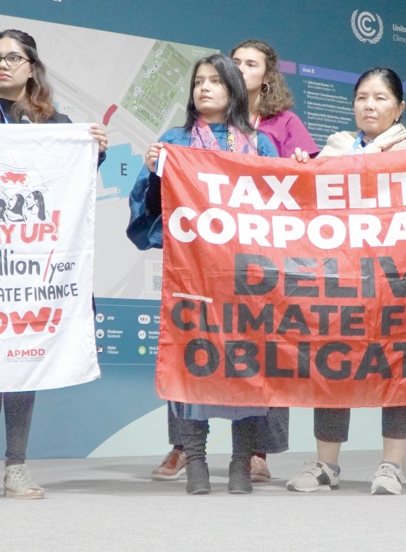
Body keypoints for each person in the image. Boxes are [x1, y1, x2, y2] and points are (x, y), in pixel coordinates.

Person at [0, 29, 107, 501]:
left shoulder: (55, 123)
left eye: (13, 57)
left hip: (34, 269)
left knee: (23, 362)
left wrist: (94, 151)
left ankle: (16, 467)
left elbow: (67, 186)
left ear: (31, 66)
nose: (3, 64)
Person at [128, 53, 278, 494]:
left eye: (215, 81)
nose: (205, 88)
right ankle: (194, 460)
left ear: (233, 88)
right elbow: (152, 208)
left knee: (247, 370)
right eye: (198, 82)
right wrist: (156, 172)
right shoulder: (174, 139)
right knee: (191, 363)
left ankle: (240, 464)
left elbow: (283, 209)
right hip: (192, 277)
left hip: (247, 279)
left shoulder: (260, 144)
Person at [287, 67, 406, 495]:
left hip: (396, 278)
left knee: (398, 365)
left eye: (381, 98)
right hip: (343, 278)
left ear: (400, 107)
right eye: (361, 98)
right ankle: (326, 465)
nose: (370, 106)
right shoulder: (334, 147)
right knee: (334, 362)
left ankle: (391, 466)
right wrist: (301, 168)